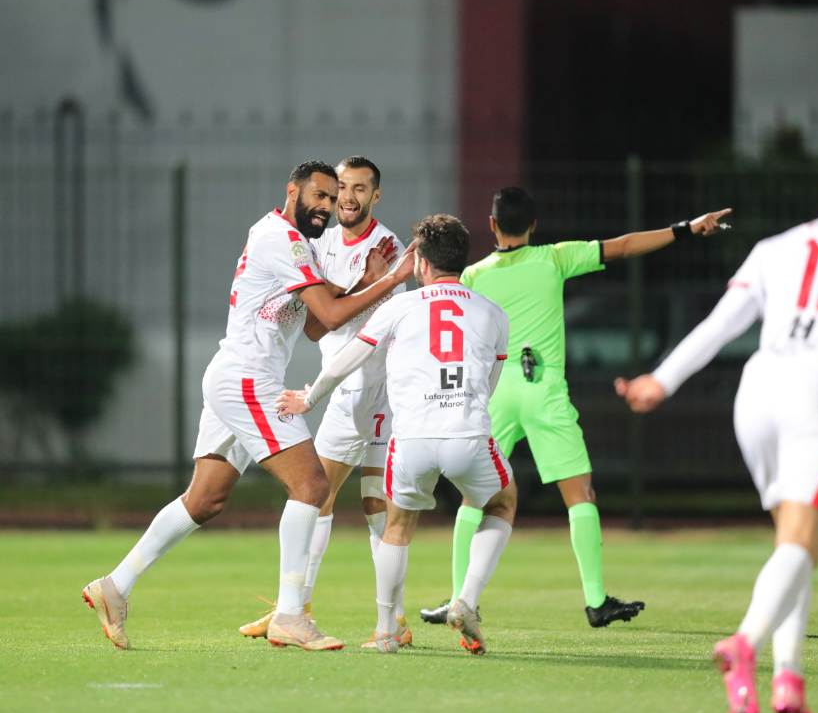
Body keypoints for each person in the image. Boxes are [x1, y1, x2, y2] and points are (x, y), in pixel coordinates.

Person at [82, 160, 416, 651]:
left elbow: (314, 324)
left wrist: (364, 282)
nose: (326, 205)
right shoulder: (282, 239)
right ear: (293, 192)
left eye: (332, 197)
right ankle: (289, 615)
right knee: (311, 485)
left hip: (234, 375)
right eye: (319, 195)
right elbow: (327, 313)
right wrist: (390, 280)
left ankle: (114, 587)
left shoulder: (290, 239)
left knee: (205, 500)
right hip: (248, 381)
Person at [615, 159, 818, 713]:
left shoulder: (776, 246)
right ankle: (745, 645)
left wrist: (660, 380)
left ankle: (789, 681)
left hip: (758, 393)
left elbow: (723, 322)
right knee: (803, 540)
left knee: (792, 540)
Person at [420, 188, 731, 628]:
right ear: (534, 224)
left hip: (494, 394)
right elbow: (623, 245)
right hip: (542, 387)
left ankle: (456, 598)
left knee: (476, 497)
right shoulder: (554, 257)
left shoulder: (472, 276)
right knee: (580, 495)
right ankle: (596, 600)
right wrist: (685, 229)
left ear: (491, 225)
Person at [277, 214, 517, 655]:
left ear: (421, 262)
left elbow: (349, 356)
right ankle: (466, 599)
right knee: (502, 502)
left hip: (410, 442)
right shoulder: (492, 312)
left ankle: (387, 630)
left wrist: (308, 399)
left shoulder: (399, 307)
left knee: (397, 527)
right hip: (467, 433)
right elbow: (491, 379)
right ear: (462, 262)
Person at [238, 156, 413, 648]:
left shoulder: (390, 248)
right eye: (342, 189)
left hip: (379, 391)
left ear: (375, 196)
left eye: (360, 188)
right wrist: (369, 283)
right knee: (317, 498)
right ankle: (293, 609)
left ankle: (393, 623)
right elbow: (318, 324)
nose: (348, 197)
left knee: (375, 505)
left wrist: (385, 278)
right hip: (339, 390)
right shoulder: (321, 244)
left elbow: (388, 328)